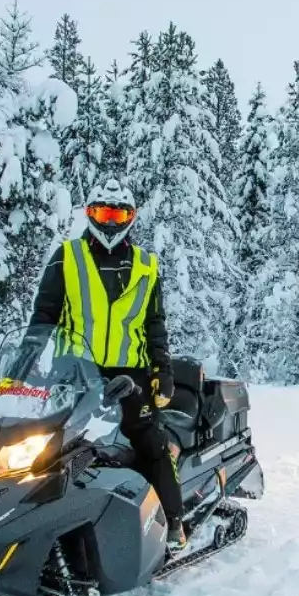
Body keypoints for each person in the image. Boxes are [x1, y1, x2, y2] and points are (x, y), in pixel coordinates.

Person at [27, 178, 187, 552]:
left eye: (119, 214)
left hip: (129, 375)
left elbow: (154, 324)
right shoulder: (68, 256)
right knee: (50, 445)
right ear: (90, 214)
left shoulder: (147, 265)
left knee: (149, 441)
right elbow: (43, 317)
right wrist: (29, 363)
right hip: (75, 372)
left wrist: (162, 371)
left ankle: (174, 520)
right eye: (103, 213)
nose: (111, 222)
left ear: (131, 218)